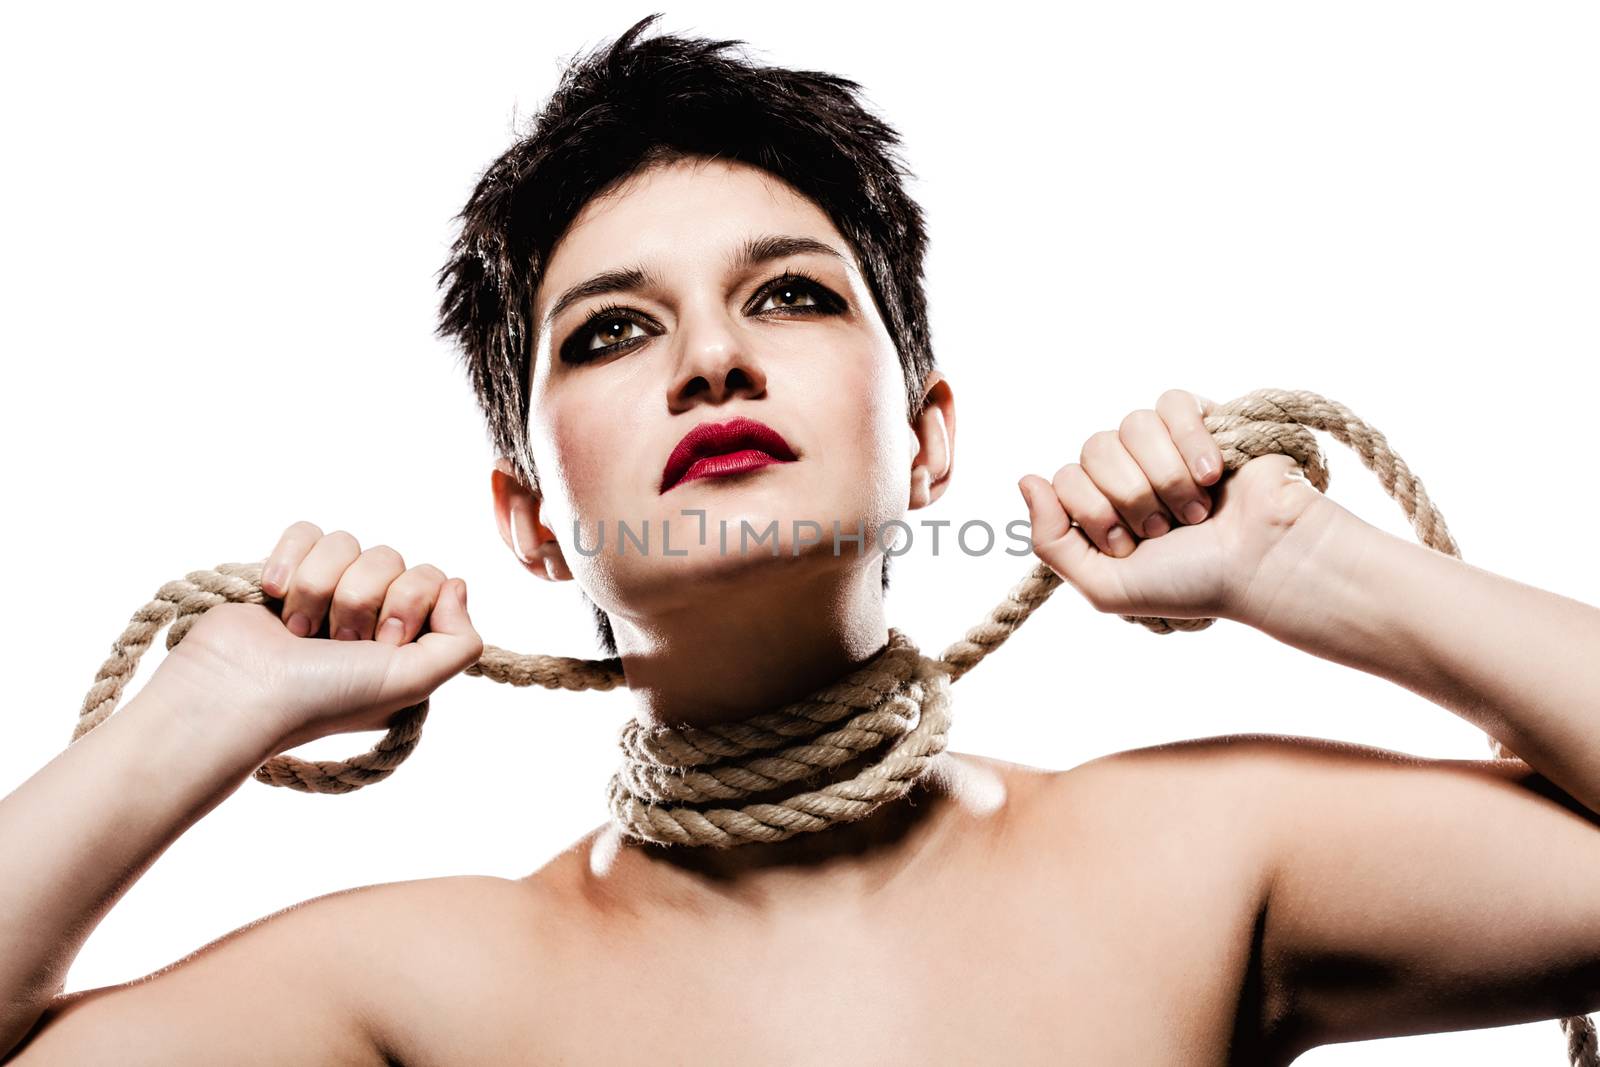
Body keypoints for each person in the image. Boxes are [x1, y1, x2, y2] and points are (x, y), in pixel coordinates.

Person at [4, 14, 1600, 1065]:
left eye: (791, 294)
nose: (711, 357)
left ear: (928, 438)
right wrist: (200, 708)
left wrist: (1310, 565)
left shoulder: (1201, 859)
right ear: (528, 520)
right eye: (613, 331)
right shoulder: (427, 986)